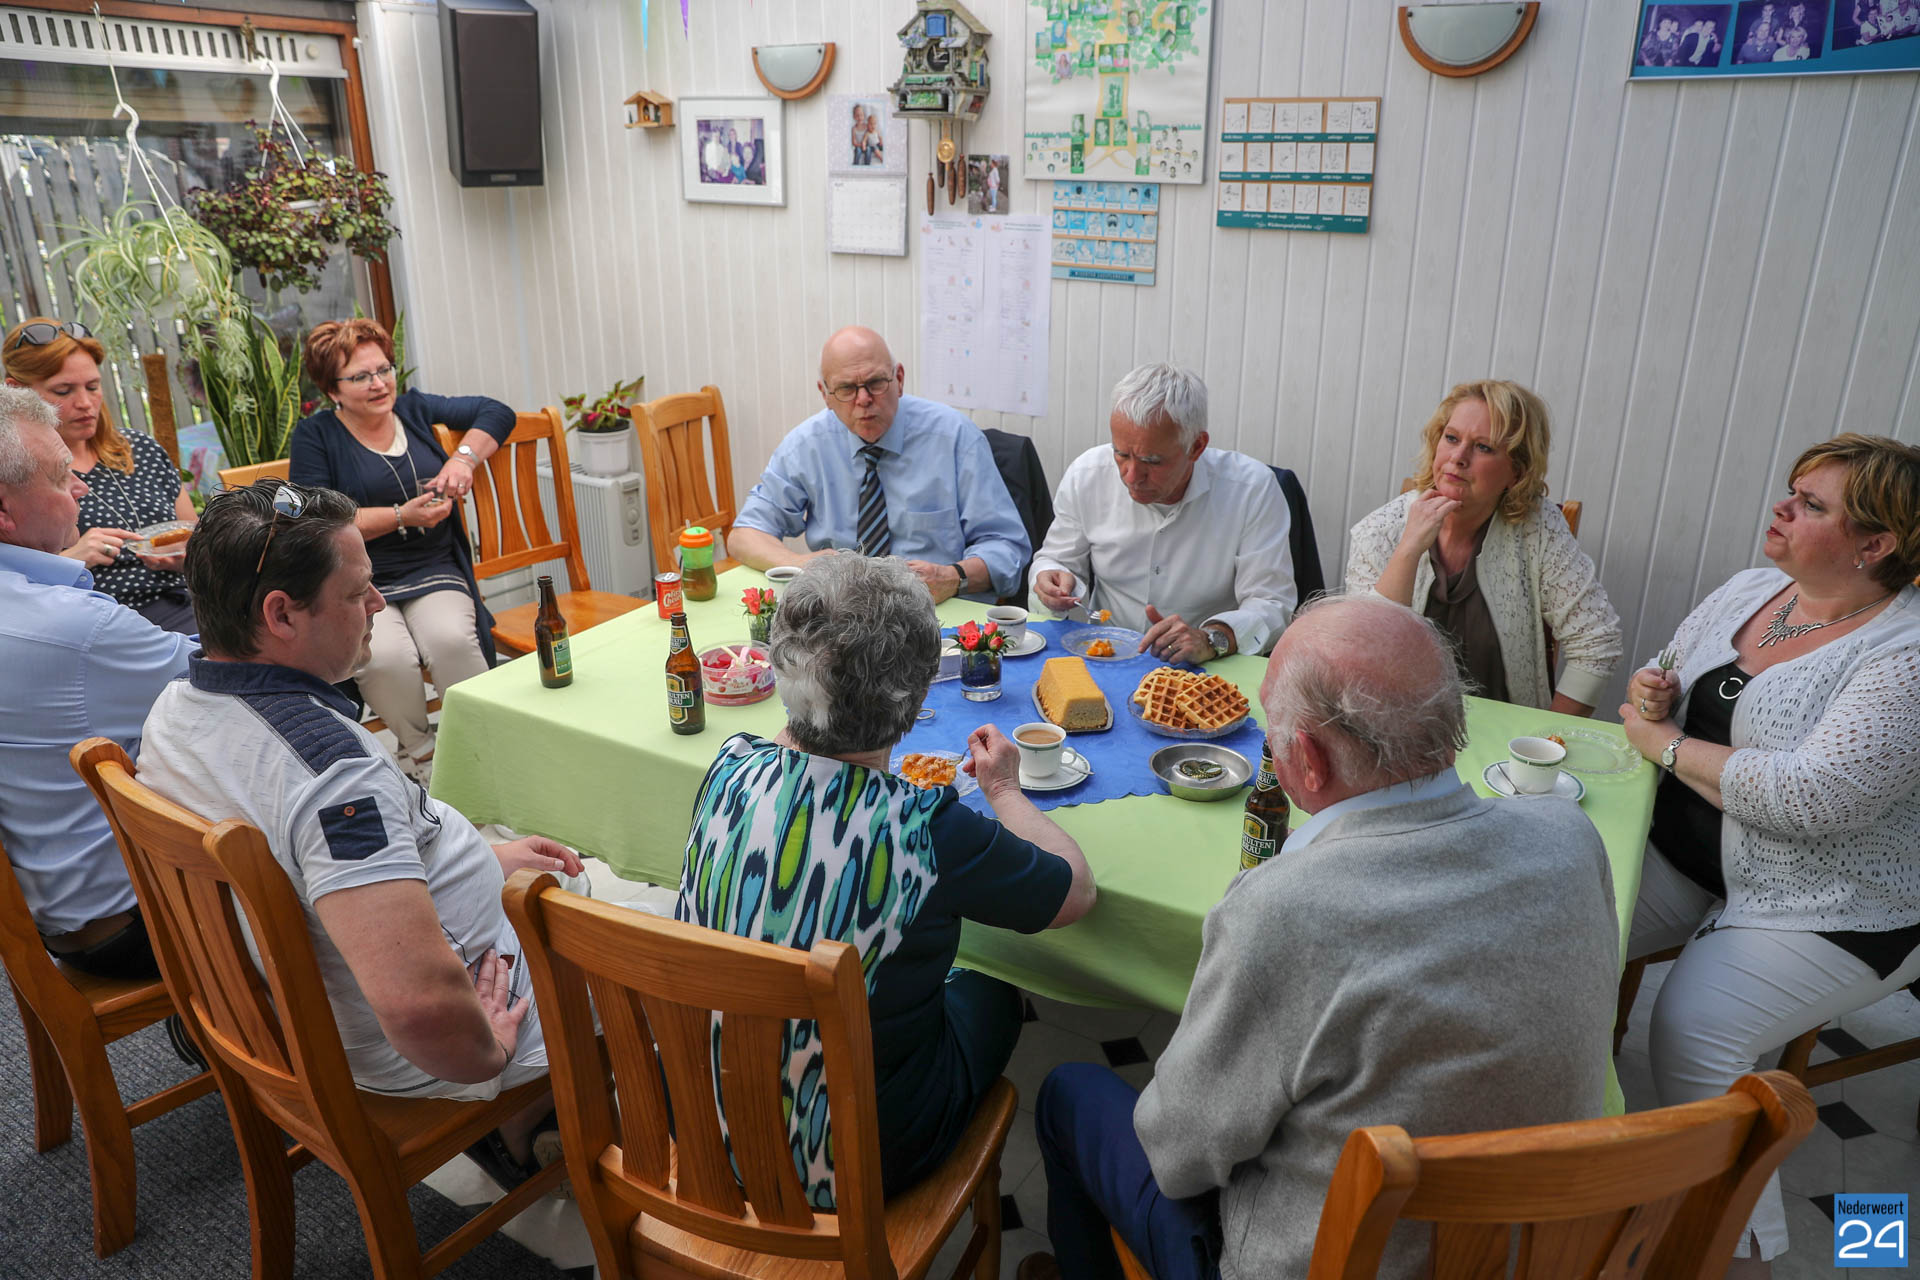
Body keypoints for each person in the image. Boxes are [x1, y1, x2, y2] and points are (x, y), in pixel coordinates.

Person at [1020, 594, 1618, 1280]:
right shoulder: (1568, 836)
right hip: (1535, 1251)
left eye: (1271, 730)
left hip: (1328, 1262)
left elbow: (1177, 1158)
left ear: (1306, 757)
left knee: (1069, 1094)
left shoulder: (1282, 910)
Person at [136, 480, 585, 1180]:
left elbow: (314, 866)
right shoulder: (335, 778)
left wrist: (475, 859)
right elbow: (417, 1007)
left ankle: (533, 1108)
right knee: (635, 941)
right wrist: (485, 1057)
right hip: (411, 1050)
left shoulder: (173, 709)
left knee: (545, 877)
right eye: (356, 592)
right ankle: (530, 1116)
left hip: (298, 1006)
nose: (378, 603)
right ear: (281, 613)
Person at [676, 554, 1095, 1206]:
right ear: (918, 695)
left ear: (783, 665)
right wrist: (1005, 790)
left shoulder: (729, 766)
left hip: (704, 1126)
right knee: (992, 991)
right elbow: (1074, 892)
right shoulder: (925, 826)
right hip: (849, 1169)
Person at [1619, 434, 1920, 1275]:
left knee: (1693, 1031)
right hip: (1697, 859)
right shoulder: (1752, 590)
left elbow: (1812, 799)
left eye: (1812, 504)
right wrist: (1654, 692)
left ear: (1875, 544)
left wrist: (1662, 744)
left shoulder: (1905, 655)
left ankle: (1742, 1250)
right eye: (1793, 490)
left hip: (1833, 900)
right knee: (1569, 925)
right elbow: (1667, 671)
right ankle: (1577, 1129)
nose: (1783, 506)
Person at [0, 384, 193, 978]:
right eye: (62, 477)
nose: (82, 488)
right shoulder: (67, 627)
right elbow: (243, 678)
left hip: (59, 914)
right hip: (136, 920)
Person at [291, 318, 511, 780]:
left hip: (433, 566)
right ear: (332, 390)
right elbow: (316, 518)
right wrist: (400, 517)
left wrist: (463, 460)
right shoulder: (316, 435)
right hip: (359, 581)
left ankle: (486, 755)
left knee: (451, 640)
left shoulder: (413, 408)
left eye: (384, 370)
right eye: (361, 377)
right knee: (385, 657)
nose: (379, 384)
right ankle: (426, 760)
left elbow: (496, 412)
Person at [1345, 379, 1622, 714]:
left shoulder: (1539, 529)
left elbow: (1597, 641)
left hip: (1507, 736)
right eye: (1451, 438)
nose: (1458, 457)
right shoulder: (1380, 530)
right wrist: (1408, 550)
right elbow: (1361, 654)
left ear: (1517, 471)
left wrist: (1548, 736)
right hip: (1399, 729)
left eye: (1483, 447)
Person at [731, 327, 1031, 603]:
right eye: (846, 388)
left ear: (898, 379)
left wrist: (952, 577)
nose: (863, 399)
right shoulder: (806, 446)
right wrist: (798, 563)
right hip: (844, 614)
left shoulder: (956, 437)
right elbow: (745, 535)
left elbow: (1007, 547)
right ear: (825, 395)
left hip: (936, 609)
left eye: (875, 383)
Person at [1030, 363, 1296, 662]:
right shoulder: (1088, 474)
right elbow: (1056, 559)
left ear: (1197, 446)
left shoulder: (1251, 489)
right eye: (1121, 454)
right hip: (1107, 652)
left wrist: (1213, 638)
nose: (1132, 476)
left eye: (1152, 461)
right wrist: (1051, 580)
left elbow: (1271, 602)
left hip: (1207, 663)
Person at [4, 317, 199, 634]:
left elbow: (197, 537)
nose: (85, 403)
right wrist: (73, 558)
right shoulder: (15, 474)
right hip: (97, 627)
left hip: (190, 609)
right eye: (63, 390)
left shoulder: (139, 450)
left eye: (93, 387)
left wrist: (187, 556)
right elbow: (12, 596)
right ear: (16, 392)